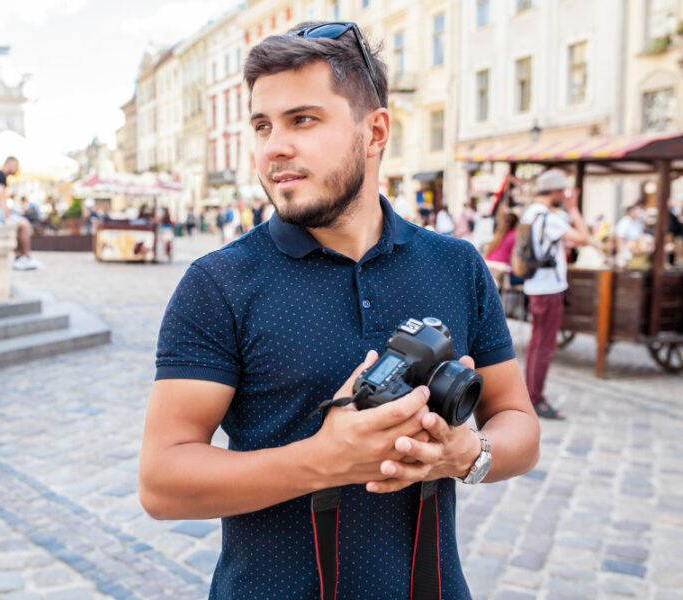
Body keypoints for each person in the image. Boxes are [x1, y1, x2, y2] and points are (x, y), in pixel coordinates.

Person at [140, 21, 539, 600]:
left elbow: (520, 428)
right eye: (262, 125)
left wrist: (463, 453)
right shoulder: (219, 283)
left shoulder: (457, 264)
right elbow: (162, 483)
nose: (275, 146)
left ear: (375, 131)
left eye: (303, 119)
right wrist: (323, 460)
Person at [520, 169, 592, 420]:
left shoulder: (532, 213)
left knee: (537, 343)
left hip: (536, 286)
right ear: (555, 192)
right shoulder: (549, 219)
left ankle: (531, 393)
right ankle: (535, 398)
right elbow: (584, 238)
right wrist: (573, 209)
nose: (564, 196)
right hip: (548, 288)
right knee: (544, 345)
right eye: (562, 192)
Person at [0, 156, 42, 270]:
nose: (18, 169)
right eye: (16, 165)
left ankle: (19, 256)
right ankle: (25, 256)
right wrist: (7, 219)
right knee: (24, 224)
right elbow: (1, 198)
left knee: (18, 221)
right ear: (8, 164)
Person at [614, 200, 646, 267]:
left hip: (635, 254)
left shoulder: (636, 222)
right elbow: (620, 238)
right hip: (626, 253)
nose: (637, 213)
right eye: (635, 211)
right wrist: (620, 255)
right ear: (630, 212)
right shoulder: (624, 222)